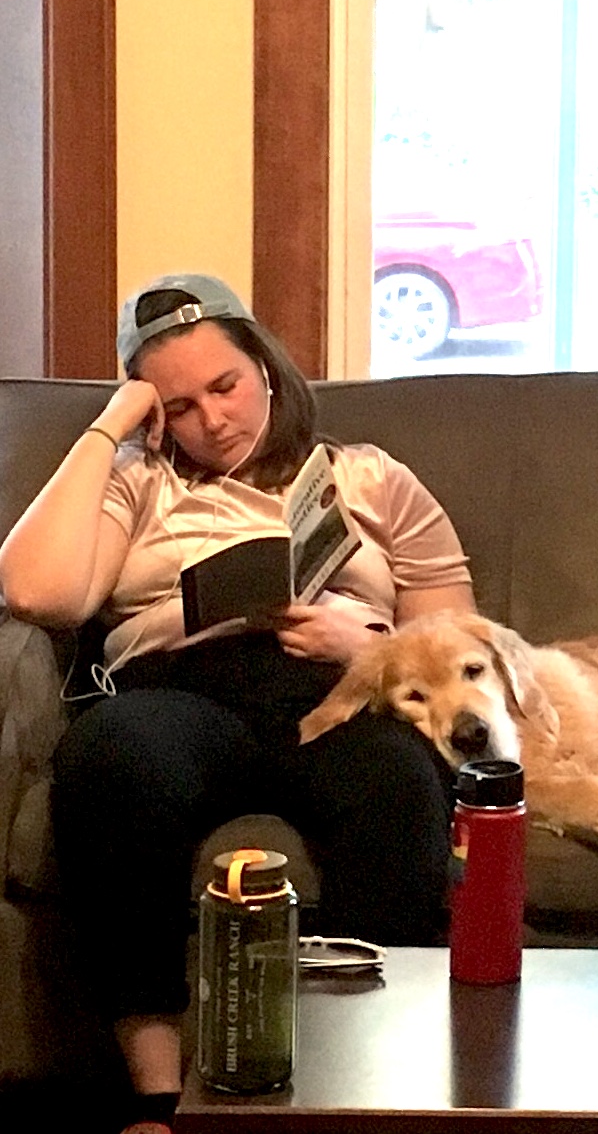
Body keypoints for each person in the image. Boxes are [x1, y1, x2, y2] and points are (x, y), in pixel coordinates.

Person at [0, 275, 477, 1134]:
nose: (213, 420)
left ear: (265, 366)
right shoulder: (140, 481)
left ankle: (353, 1094)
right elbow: (38, 590)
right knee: (109, 758)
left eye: (225, 385)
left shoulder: (370, 475)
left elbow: (462, 652)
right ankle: (157, 1096)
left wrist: (369, 647)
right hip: (178, 694)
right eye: (179, 405)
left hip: (335, 690)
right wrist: (113, 422)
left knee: (400, 784)